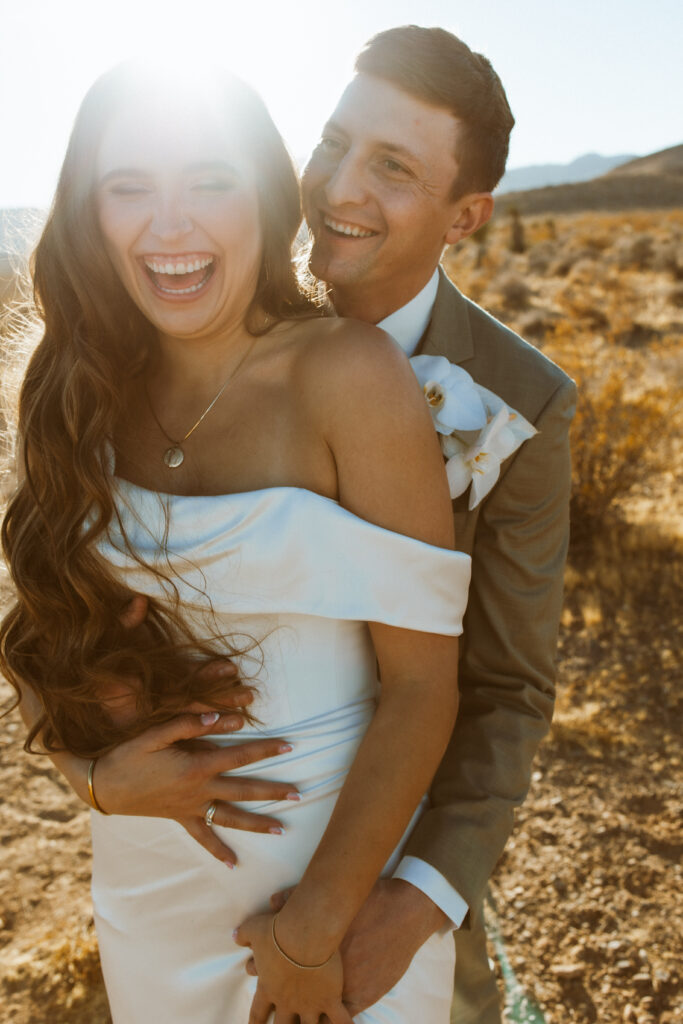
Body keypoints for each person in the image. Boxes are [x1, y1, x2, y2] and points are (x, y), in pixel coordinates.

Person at [0, 61, 473, 1023]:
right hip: (150, 892)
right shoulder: (71, 396)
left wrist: (312, 935)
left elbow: (425, 691)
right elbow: (43, 645)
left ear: (265, 193)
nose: (169, 227)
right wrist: (92, 780)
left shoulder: (348, 373)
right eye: (128, 187)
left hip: (335, 895)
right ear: (91, 215)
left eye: (209, 182)